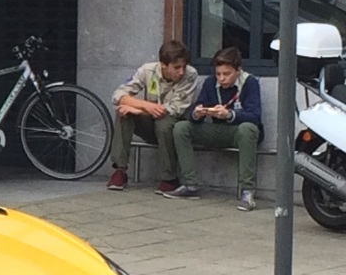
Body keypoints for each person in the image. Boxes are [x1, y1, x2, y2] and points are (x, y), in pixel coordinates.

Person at [165, 47, 264, 211]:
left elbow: (254, 116)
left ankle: (247, 191)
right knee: (181, 127)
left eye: (227, 74)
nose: (222, 78)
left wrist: (230, 114)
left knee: (248, 129)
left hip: (238, 132)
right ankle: (190, 184)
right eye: (218, 74)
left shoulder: (249, 82)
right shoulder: (211, 82)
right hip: (216, 129)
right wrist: (197, 113)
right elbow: (198, 106)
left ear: (238, 70)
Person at [107, 40, 199, 192]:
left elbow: (174, 109)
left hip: (173, 126)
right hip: (149, 122)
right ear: (163, 64)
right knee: (124, 113)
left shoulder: (190, 75)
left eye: (183, 67)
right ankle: (120, 170)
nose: (181, 72)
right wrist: (143, 106)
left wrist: (140, 110)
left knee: (163, 123)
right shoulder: (147, 70)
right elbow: (118, 95)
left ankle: (169, 178)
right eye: (176, 67)